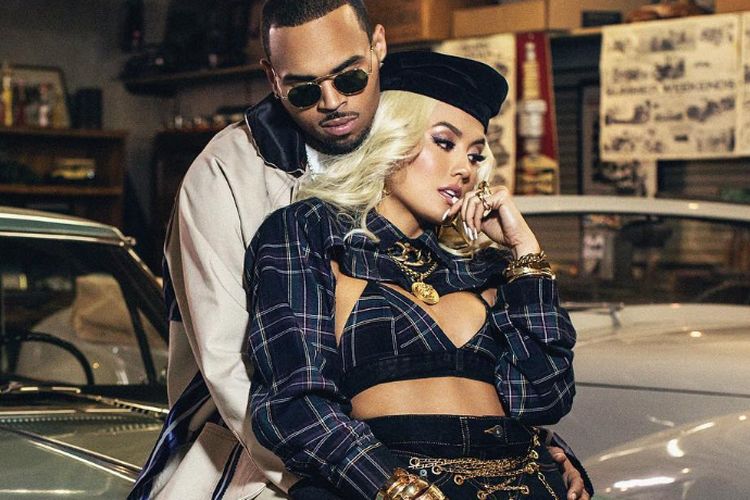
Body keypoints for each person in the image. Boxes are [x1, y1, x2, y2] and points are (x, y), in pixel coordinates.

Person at [131, 1, 591, 499]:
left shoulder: (460, 251)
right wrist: (367, 481)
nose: (331, 102)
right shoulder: (236, 179)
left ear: (378, 50)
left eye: (349, 78)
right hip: (265, 457)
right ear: (272, 78)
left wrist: (525, 445)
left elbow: (512, 390)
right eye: (303, 89)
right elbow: (238, 371)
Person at [244, 51, 579, 500]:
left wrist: (525, 250)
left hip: (526, 482)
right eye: (444, 142)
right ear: (392, 135)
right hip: (385, 484)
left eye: (475, 155)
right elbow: (294, 403)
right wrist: (392, 486)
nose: (465, 169)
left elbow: (544, 399)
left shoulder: (484, 265)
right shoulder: (308, 230)